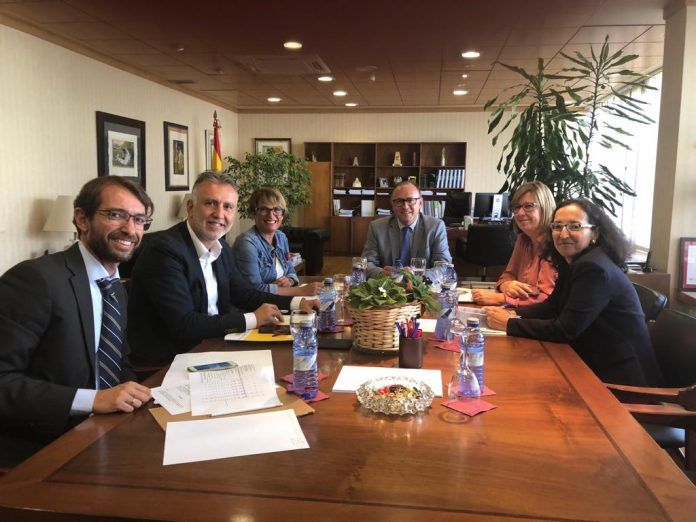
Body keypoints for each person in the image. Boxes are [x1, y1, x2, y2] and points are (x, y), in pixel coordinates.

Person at [0, 176, 153, 466]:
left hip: (107, 430)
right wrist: (92, 400)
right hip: (42, 447)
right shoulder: (36, 280)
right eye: (116, 214)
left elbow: (120, 362)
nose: (130, 229)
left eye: (139, 219)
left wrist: (137, 397)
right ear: (82, 219)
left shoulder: (116, 287)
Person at [127, 172, 318, 366]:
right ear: (190, 208)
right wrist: (253, 318)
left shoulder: (222, 248)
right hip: (170, 361)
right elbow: (184, 324)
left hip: (215, 345)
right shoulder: (164, 251)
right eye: (210, 203)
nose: (219, 214)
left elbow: (244, 294)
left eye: (228, 207)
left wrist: (297, 303)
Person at [484, 198, 660, 386]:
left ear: (594, 233)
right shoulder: (574, 261)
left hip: (620, 380)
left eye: (575, 227)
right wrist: (513, 312)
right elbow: (552, 306)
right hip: (589, 362)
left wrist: (509, 324)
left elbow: (565, 330)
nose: (563, 234)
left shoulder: (594, 268)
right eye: (557, 226)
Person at [473, 181, 557, 306]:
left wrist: (502, 298)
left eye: (528, 206)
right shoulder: (523, 240)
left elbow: (547, 297)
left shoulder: (555, 244)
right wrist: (507, 285)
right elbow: (507, 276)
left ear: (545, 208)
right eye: (516, 207)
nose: (520, 213)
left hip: (541, 315)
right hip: (520, 311)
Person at [231, 187, 321, 296]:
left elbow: (291, 270)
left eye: (277, 209)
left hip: (279, 299)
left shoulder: (281, 237)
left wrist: (290, 280)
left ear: (282, 215)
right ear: (254, 213)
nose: (271, 215)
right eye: (264, 209)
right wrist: (302, 291)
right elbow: (254, 290)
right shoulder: (246, 243)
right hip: (257, 305)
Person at [361, 181, 451, 279]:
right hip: (387, 285)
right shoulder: (377, 227)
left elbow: (444, 265)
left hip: (423, 285)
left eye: (410, 200)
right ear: (393, 205)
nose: (405, 206)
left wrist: (416, 276)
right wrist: (381, 273)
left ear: (420, 203)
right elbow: (366, 263)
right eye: (399, 201)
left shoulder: (436, 227)